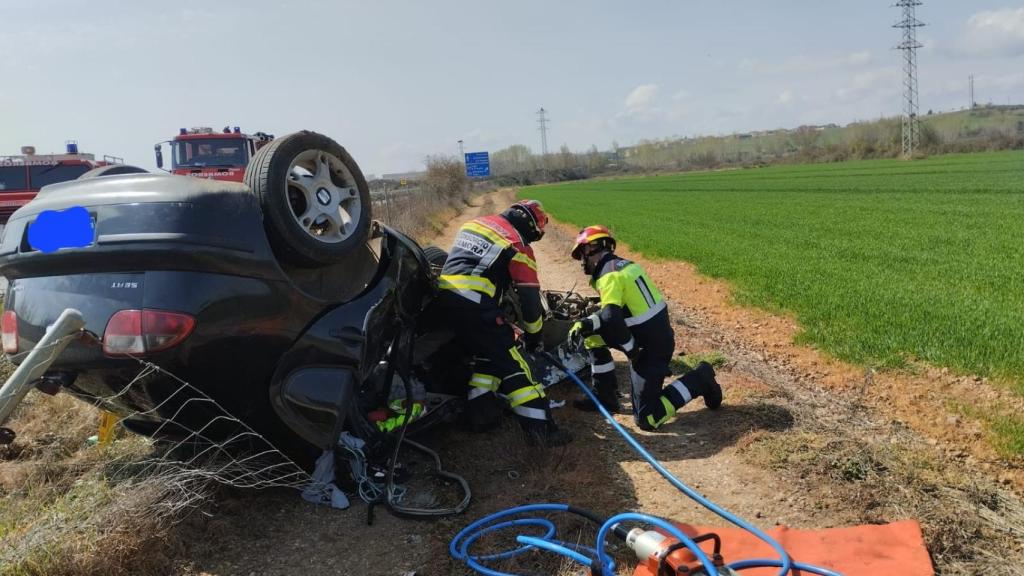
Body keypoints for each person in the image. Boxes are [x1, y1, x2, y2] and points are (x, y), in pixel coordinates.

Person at [435, 199, 572, 446]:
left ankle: (481, 416)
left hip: (445, 302)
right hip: (475, 307)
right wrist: (533, 336)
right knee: (516, 367)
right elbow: (530, 299)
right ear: (532, 228)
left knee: (489, 358)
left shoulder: (475, 224)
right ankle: (543, 432)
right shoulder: (517, 245)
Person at [567, 225, 722, 431]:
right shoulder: (623, 266)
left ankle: (700, 379)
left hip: (652, 349)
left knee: (647, 419)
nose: (581, 262)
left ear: (592, 250)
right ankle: (605, 397)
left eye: (581, 255)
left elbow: (611, 317)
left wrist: (630, 349)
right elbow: (619, 311)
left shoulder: (609, 276)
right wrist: (587, 324)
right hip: (650, 336)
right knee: (591, 336)